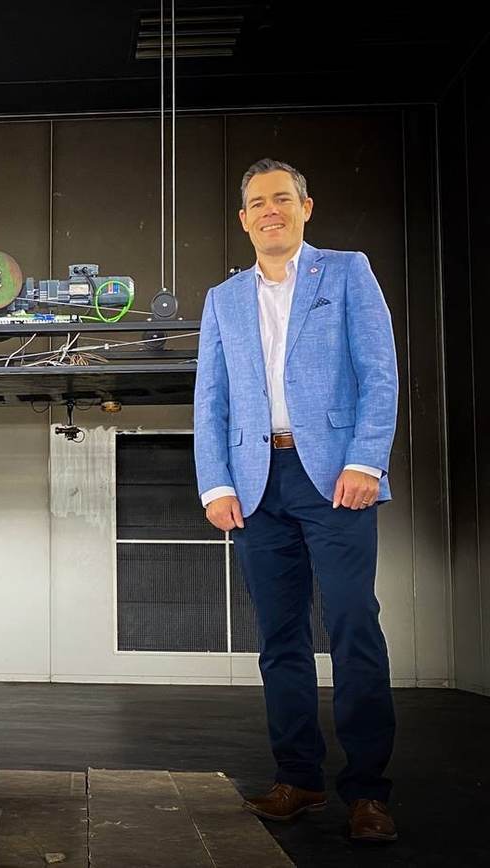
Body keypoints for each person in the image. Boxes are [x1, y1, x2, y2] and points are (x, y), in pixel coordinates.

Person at [193, 158, 398, 843]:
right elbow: (212, 399)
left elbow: (379, 370)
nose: (269, 210)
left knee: (352, 627)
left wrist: (367, 459)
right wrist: (216, 482)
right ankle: (299, 779)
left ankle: (367, 792)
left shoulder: (346, 272)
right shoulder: (223, 299)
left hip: (337, 477)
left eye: (282, 198)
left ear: (306, 207)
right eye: (257, 202)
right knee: (280, 640)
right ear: (244, 218)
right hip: (257, 484)